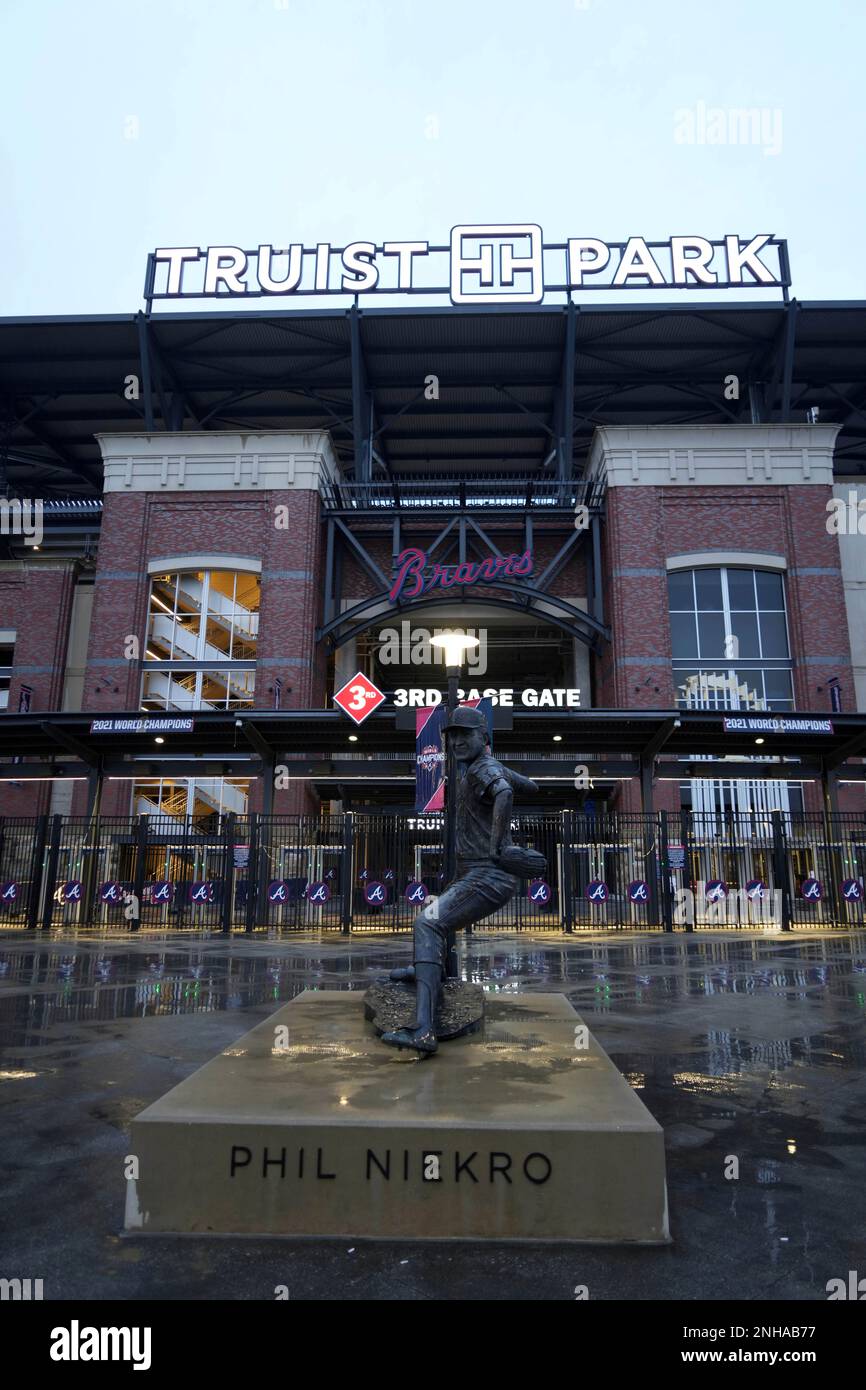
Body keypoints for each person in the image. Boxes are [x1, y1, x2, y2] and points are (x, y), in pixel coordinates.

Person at [381, 705, 539, 1056]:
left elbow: (505, 793)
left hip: (488, 874)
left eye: (466, 735)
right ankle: (431, 972)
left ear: (484, 737)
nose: (457, 742)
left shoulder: (484, 770)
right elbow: (527, 785)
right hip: (472, 872)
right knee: (441, 921)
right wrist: (513, 776)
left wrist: (500, 845)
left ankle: (422, 1031)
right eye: (452, 737)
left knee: (428, 923)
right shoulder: (483, 767)